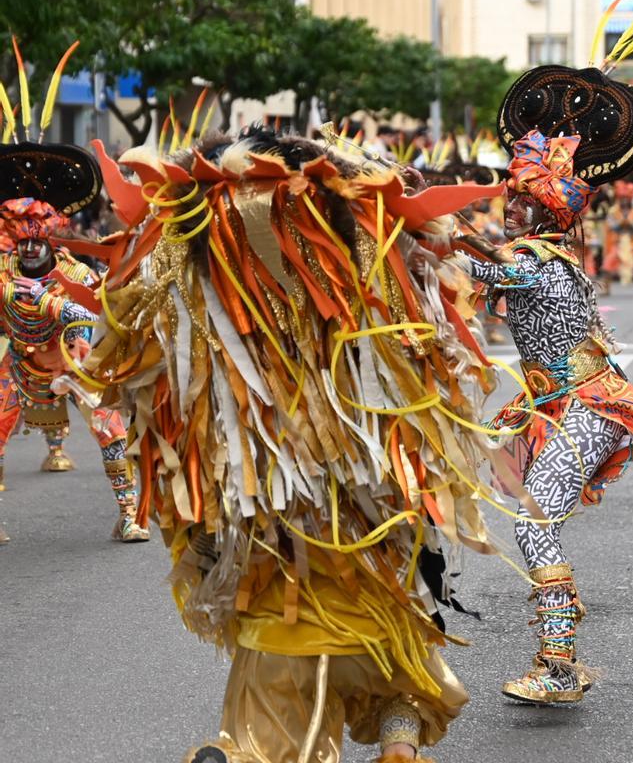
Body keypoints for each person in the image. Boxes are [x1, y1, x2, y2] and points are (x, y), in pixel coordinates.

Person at [86, 124, 505, 763]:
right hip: (375, 544)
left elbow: (159, 418)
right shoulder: (372, 285)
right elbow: (429, 389)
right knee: (399, 654)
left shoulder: (199, 300)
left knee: (272, 717)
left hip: (271, 567)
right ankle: (399, 741)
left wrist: (194, 539)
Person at [486, 50, 633, 703]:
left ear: (545, 215)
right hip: (561, 406)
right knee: (535, 520)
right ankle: (558, 661)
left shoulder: (535, 262)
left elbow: (486, 270)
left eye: (520, 205)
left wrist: (427, 237)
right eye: (509, 202)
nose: (509, 212)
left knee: (534, 522)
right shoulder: (531, 253)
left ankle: (558, 667)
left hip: (590, 406)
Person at [0, 197, 148, 542]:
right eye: (24, 243)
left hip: (75, 363)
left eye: (38, 242)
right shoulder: (4, 272)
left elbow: (100, 317)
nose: (31, 250)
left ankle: (129, 515)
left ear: (51, 242)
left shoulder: (76, 273)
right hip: (21, 364)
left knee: (110, 429)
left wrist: (47, 300)